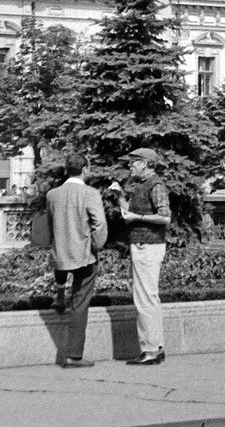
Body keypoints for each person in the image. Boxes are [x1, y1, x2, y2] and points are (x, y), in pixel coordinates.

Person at [47, 156, 108, 369]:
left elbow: (50, 224)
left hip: (60, 251)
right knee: (80, 303)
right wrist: (96, 246)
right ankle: (73, 355)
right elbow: (99, 224)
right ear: (85, 169)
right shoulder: (90, 193)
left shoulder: (52, 194)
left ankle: (60, 294)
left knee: (62, 267)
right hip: (84, 253)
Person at [119, 147, 171, 365]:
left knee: (144, 298)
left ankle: (149, 350)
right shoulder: (144, 185)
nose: (130, 165)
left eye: (134, 162)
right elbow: (128, 214)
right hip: (145, 244)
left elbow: (165, 217)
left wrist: (137, 216)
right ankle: (155, 347)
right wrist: (120, 196)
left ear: (146, 163)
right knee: (149, 296)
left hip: (147, 246)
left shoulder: (155, 185)